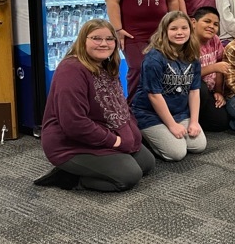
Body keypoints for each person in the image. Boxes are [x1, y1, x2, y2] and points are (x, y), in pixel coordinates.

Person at [34, 19, 155, 191]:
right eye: (96, 38)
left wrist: (131, 132)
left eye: (109, 39)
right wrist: (115, 141)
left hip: (102, 129)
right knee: (129, 176)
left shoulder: (106, 64)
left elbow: (119, 105)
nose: (104, 44)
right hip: (69, 143)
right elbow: (74, 123)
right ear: (83, 40)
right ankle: (70, 179)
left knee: (146, 164)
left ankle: (94, 167)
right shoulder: (71, 70)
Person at [131, 11, 207, 162]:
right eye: (174, 29)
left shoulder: (192, 57)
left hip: (179, 112)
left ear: (190, 30)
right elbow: (154, 95)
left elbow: (194, 91)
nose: (180, 33)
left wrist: (194, 121)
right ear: (164, 31)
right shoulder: (154, 58)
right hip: (150, 113)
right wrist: (172, 125)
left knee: (198, 146)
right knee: (176, 153)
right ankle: (143, 134)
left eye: (184, 28)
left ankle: (166, 134)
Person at [191, 7, 229, 132]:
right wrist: (212, 67)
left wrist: (219, 91)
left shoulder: (215, 40)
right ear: (193, 23)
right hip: (190, 93)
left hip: (209, 92)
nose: (211, 26)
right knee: (199, 87)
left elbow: (220, 66)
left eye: (215, 24)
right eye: (207, 21)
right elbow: (187, 76)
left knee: (221, 123)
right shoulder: (187, 43)